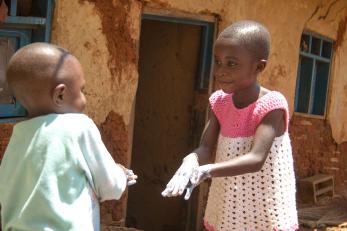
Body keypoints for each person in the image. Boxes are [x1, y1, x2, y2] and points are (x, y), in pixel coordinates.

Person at [162, 20, 298, 230]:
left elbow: (256, 158)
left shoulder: (271, 105)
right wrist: (192, 160)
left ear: (259, 67)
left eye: (231, 63)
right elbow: (206, 147)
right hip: (228, 205)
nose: (220, 71)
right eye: (217, 61)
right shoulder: (220, 102)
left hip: (265, 210)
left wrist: (207, 171)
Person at [0, 43, 137, 231]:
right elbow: (110, 187)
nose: (84, 99)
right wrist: (121, 173)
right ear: (60, 95)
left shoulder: (18, 136)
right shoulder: (78, 126)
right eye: (82, 90)